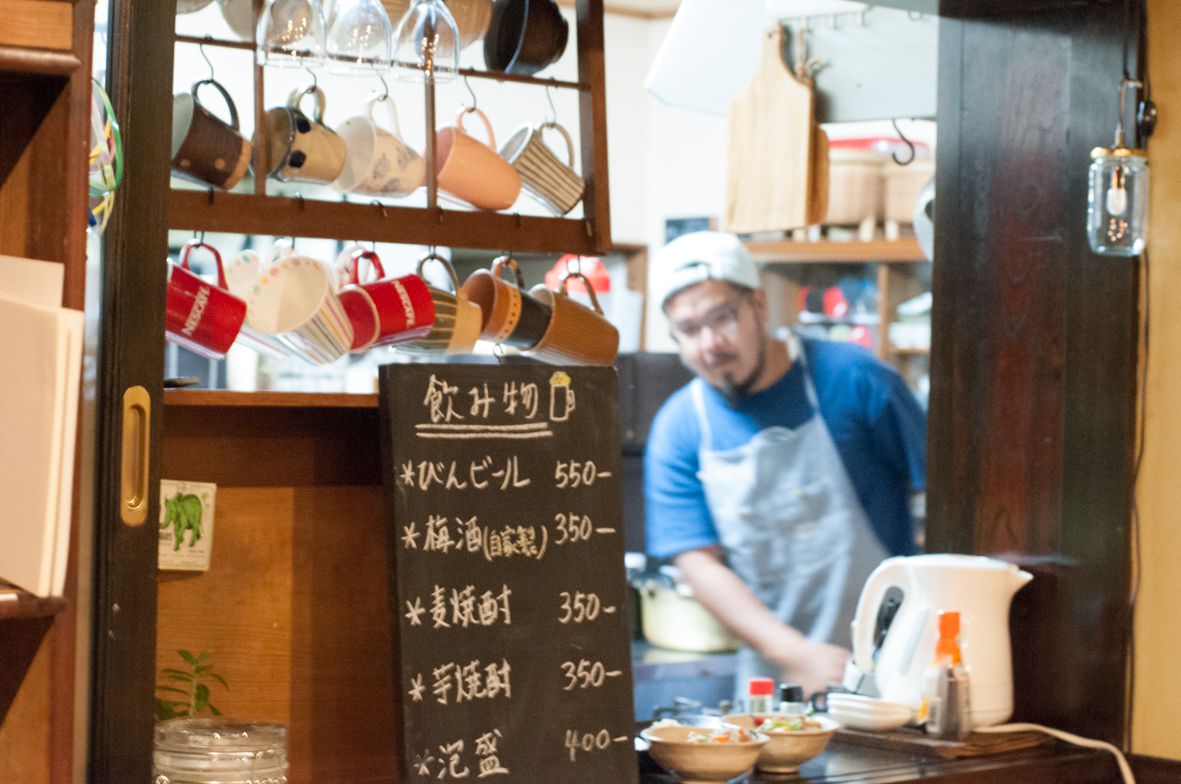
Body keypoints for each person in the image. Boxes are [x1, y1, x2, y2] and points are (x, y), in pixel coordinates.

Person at [643, 231, 927, 700]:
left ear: (758, 305)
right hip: (772, 693)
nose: (710, 344)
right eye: (689, 330)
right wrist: (797, 654)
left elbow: (944, 496)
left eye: (722, 318)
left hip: (892, 672)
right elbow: (697, 562)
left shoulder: (855, 379)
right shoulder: (680, 428)